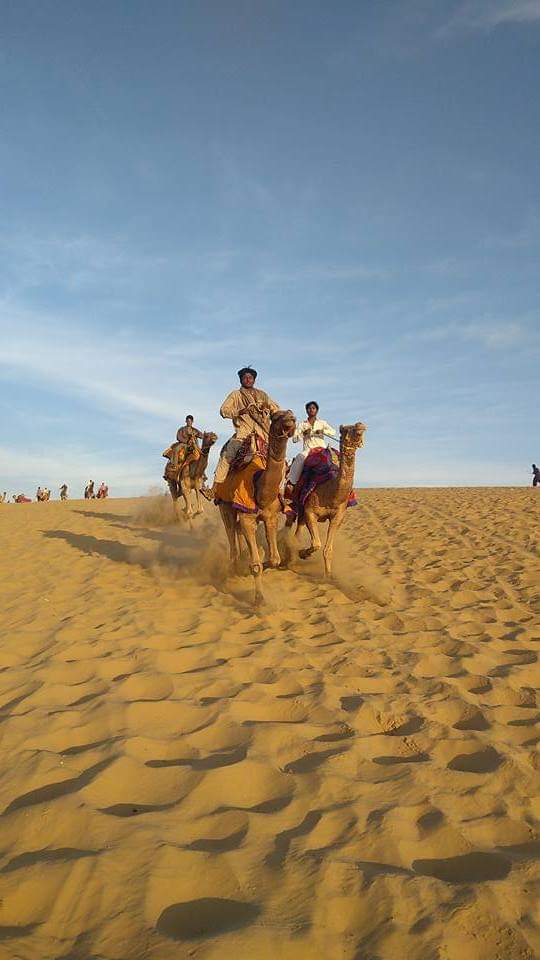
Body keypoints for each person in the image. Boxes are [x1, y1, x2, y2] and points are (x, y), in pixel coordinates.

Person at [203, 367, 281, 499]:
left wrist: (273, 412)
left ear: (254, 380)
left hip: (264, 435)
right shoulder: (236, 395)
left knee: (280, 460)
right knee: (227, 454)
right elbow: (224, 411)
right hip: (243, 434)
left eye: (250, 377)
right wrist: (239, 412)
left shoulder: (263, 395)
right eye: (245, 377)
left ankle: (283, 494)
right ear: (241, 380)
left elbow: (276, 410)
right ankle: (214, 489)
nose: (248, 379)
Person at [285, 401, 337, 497]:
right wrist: (304, 433)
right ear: (306, 411)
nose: (311, 410)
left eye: (313, 408)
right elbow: (294, 439)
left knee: (336, 459)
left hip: (321, 449)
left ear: (316, 410)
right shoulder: (302, 425)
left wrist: (322, 431)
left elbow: (333, 432)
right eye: (309, 408)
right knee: (300, 457)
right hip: (308, 450)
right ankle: (291, 482)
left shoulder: (322, 423)